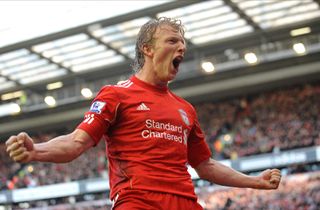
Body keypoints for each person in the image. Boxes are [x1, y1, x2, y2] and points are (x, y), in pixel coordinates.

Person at [5, 17, 281, 210]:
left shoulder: (186, 109)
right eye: (172, 40)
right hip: (137, 200)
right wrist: (36, 151)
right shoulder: (116, 95)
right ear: (147, 49)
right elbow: (76, 142)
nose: (182, 47)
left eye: (183, 43)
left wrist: (254, 181)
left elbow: (205, 165)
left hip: (185, 201)